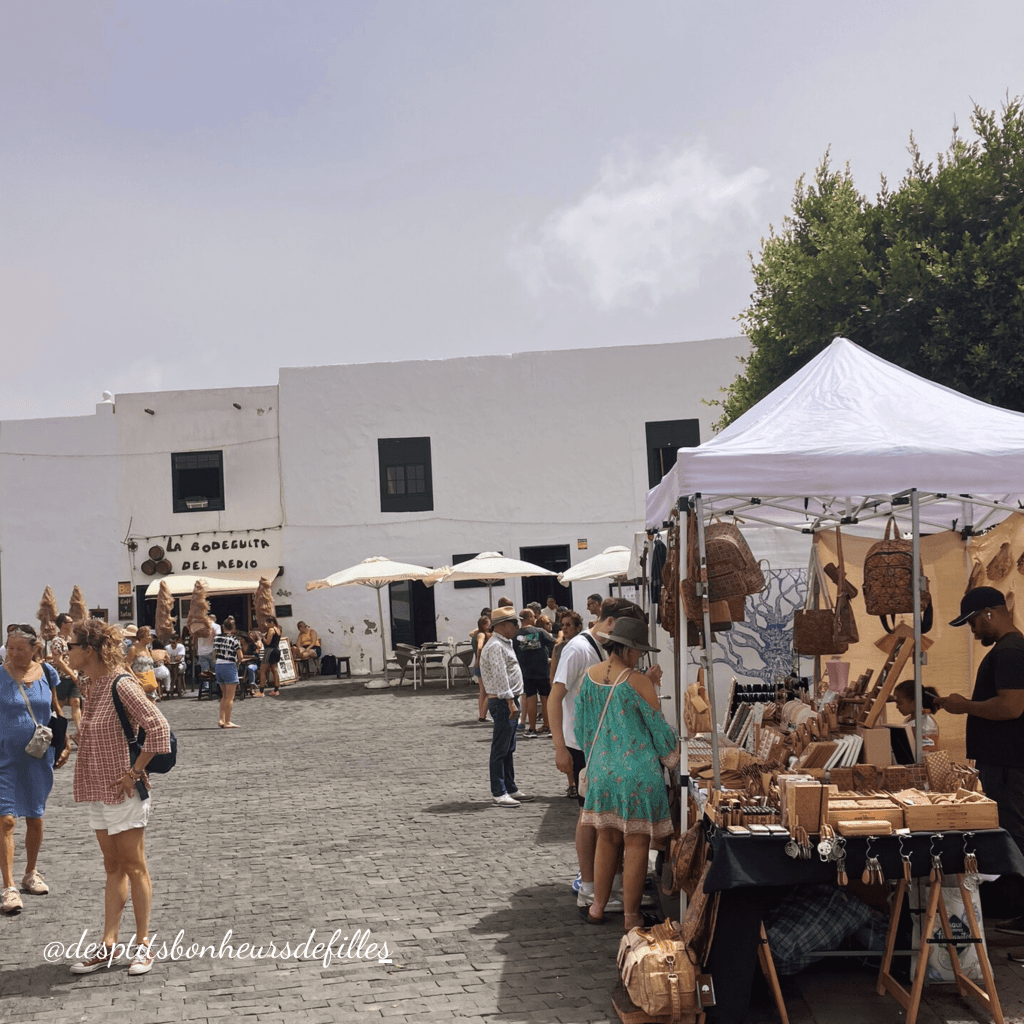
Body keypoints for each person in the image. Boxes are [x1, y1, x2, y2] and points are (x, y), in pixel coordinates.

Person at [67, 618, 172, 975]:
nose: (68, 651)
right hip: (99, 788)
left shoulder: (120, 683)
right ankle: (108, 944)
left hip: (124, 790)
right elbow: (103, 729)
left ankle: (143, 944)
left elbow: (158, 726)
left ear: (89, 649)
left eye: (72, 646)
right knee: (112, 866)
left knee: (133, 864)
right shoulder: (93, 685)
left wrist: (133, 771)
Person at [549, 598, 661, 910]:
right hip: (587, 747)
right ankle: (590, 888)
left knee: (603, 826)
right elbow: (554, 697)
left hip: (598, 747)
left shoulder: (600, 655)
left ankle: (603, 889)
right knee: (591, 822)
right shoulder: (578, 649)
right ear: (611, 623)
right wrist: (561, 747)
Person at [576, 617, 677, 930]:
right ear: (631, 649)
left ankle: (597, 907)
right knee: (636, 842)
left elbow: (580, 728)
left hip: (601, 771)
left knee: (606, 839)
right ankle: (631, 916)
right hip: (637, 773)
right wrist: (673, 759)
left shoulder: (588, 677)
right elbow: (659, 731)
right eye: (639, 651)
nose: (640, 657)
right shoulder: (638, 681)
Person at [941, 586, 1024, 931]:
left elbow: (1011, 706)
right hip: (1006, 763)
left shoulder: (1009, 651)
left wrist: (965, 707)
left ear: (989, 613)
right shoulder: (1011, 649)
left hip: (1010, 765)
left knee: (1016, 836)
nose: (973, 632)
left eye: (973, 623)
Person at [1, 624, 69, 914]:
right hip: (4, 758)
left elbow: (56, 710)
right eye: (10, 647)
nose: (13, 653)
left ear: (34, 649)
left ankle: (31, 873)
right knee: (6, 820)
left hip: (39, 756)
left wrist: (63, 743)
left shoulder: (48, 673)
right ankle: (9, 887)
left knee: (35, 817)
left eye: (19, 648)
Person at [479, 608, 534, 807]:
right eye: (514, 623)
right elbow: (500, 675)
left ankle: (510, 787)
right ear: (502, 625)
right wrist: (510, 701)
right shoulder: (495, 646)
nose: (517, 627)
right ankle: (499, 791)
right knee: (501, 747)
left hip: (509, 699)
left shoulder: (505, 643)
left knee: (509, 747)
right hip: (503, 701)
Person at [513, 609, 554, 737]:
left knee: (531, 698)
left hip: (526, 670)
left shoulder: (516, 635)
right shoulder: (540, 632)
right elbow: (554, 642)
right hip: (542, 669)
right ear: (530, 617)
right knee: (545, 698)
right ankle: (548, 725)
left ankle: (532, 728)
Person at [49, 613, 84, 737]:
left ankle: (80, 733)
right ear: (63, 625)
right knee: (59, 705)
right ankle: (60, 732)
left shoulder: (71, 640)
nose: (72, 624)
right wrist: (71, 673)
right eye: (70, 622)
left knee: (76, 702)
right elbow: (58, 661)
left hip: (74, 676)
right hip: (62, 677)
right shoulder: (57, 641)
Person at [892, 679, 940, 752]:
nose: (897, 707)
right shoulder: (909, 719)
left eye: (900, 703)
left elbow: (929, 750)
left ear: (915, 702)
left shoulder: (925, 723)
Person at [213, 616, 243, 728]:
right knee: (230, 697)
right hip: (229, 666)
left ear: (223, 627)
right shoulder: (235, 639)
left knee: (224, 695)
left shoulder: (216, 638)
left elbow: (214, 654)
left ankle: (221, 719)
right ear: (233, 627)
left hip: (218, 666)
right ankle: (227, 721)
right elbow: (240, 656)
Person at [126, 627, 160, 702]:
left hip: (150, 682)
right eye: (148, 635)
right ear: (141, 636)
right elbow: (127, 666)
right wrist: (136, 679)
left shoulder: (147, 649)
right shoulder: (134, 649)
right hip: (140, 683)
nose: (150, 637)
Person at [472, 616, 491, 723]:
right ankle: (482, 715)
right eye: (488, 624)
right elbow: (480, 647)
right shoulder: (482, 635)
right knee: (487, 692)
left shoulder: (475, 634)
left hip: (478, 665)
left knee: (482, 692)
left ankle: (481, 714)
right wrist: (479, 659)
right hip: (482, 664)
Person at [261, 617, 282, 696]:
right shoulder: (278, 629)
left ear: (271, 623)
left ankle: (261, 691)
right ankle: (276, 690)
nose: (266, 625)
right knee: (274, 670)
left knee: (262, 670)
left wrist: (262, 637)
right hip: (277, 650)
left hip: (270, 650)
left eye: (267, 623)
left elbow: (268, 642)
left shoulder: (271, 630)